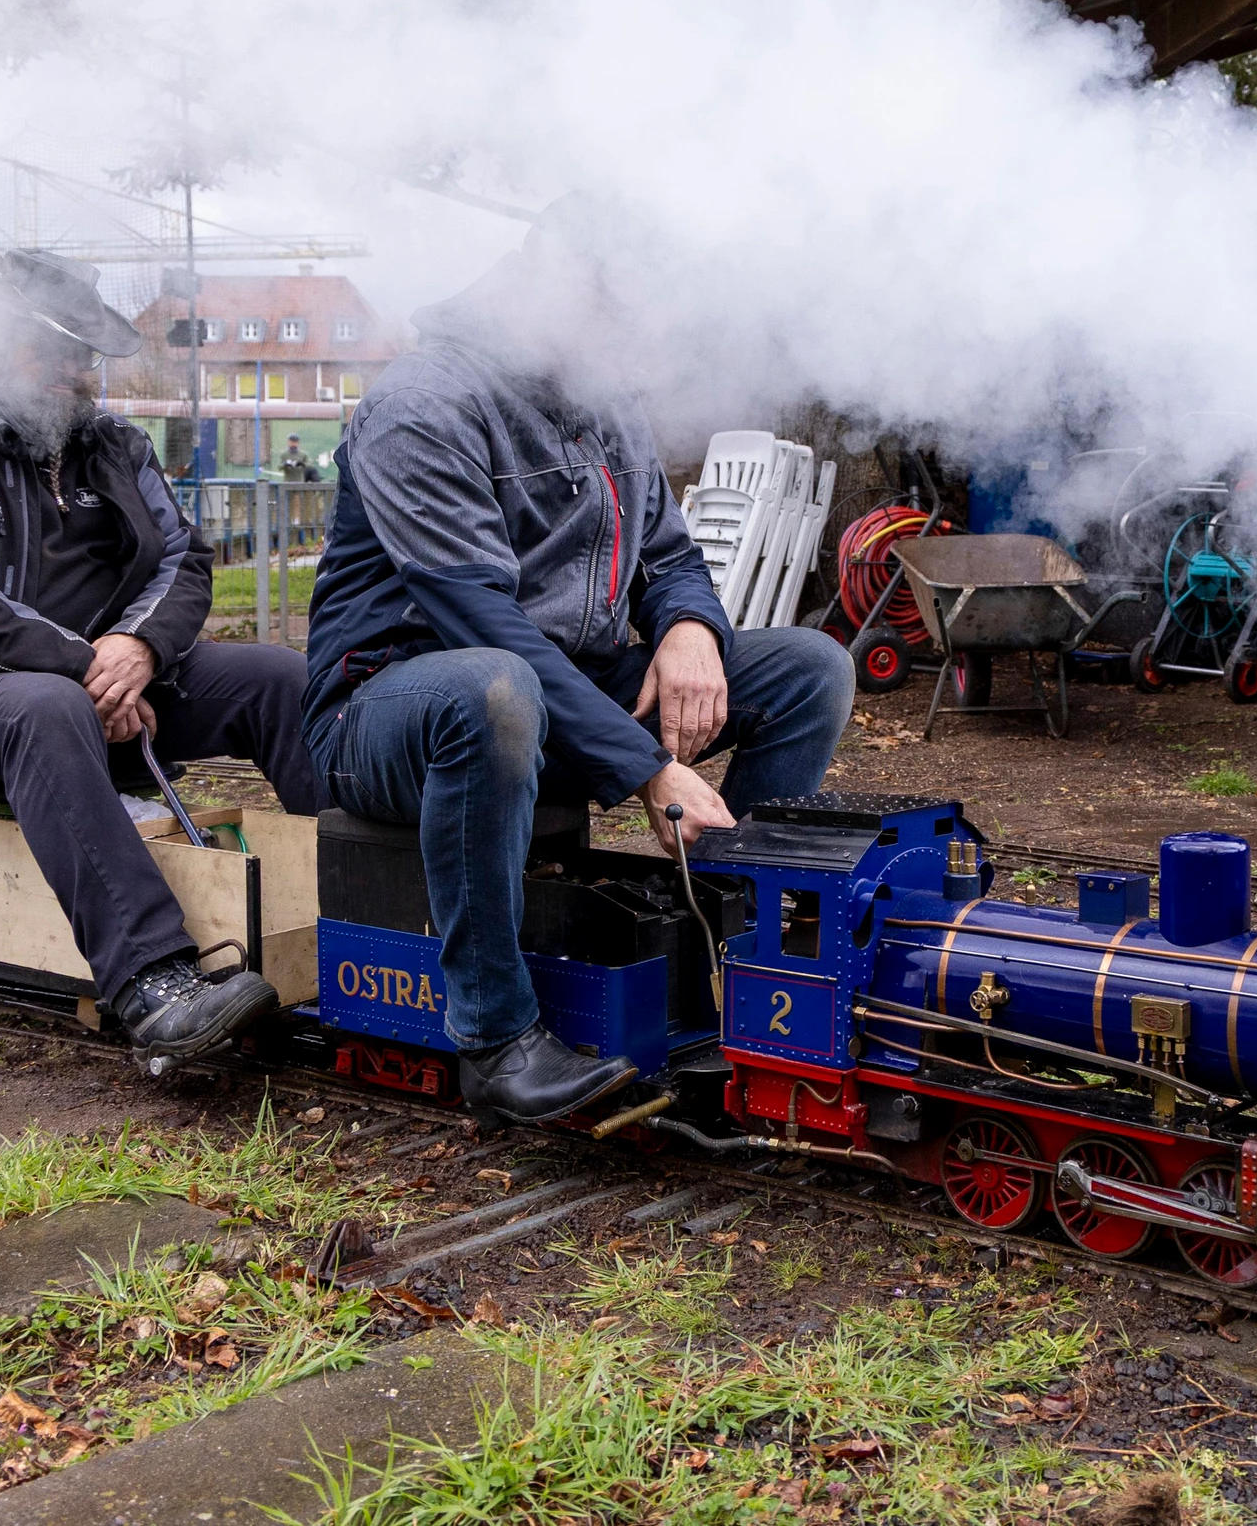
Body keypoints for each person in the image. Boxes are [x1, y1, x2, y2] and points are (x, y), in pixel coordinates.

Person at [303, 212, 855, 1123]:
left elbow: (671, 557)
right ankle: (494, 1035)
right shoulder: (421, 405)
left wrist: (688, 629)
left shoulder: (601, 398)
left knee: (809, 667)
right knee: (491, 689)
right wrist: (645, 768)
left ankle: (726, 963)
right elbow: (485, 625)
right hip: (392, 714)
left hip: (552, 702)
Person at [0, 242, 323, 1071]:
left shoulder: (120, 446)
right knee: (47, 704)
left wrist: (138, 646)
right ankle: (153, 981)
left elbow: (185, 561)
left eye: (85, 357)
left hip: (109, 688)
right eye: (58, 353)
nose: (79, 374)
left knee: (279, 678)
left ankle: (366, 911)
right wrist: (84, 666)